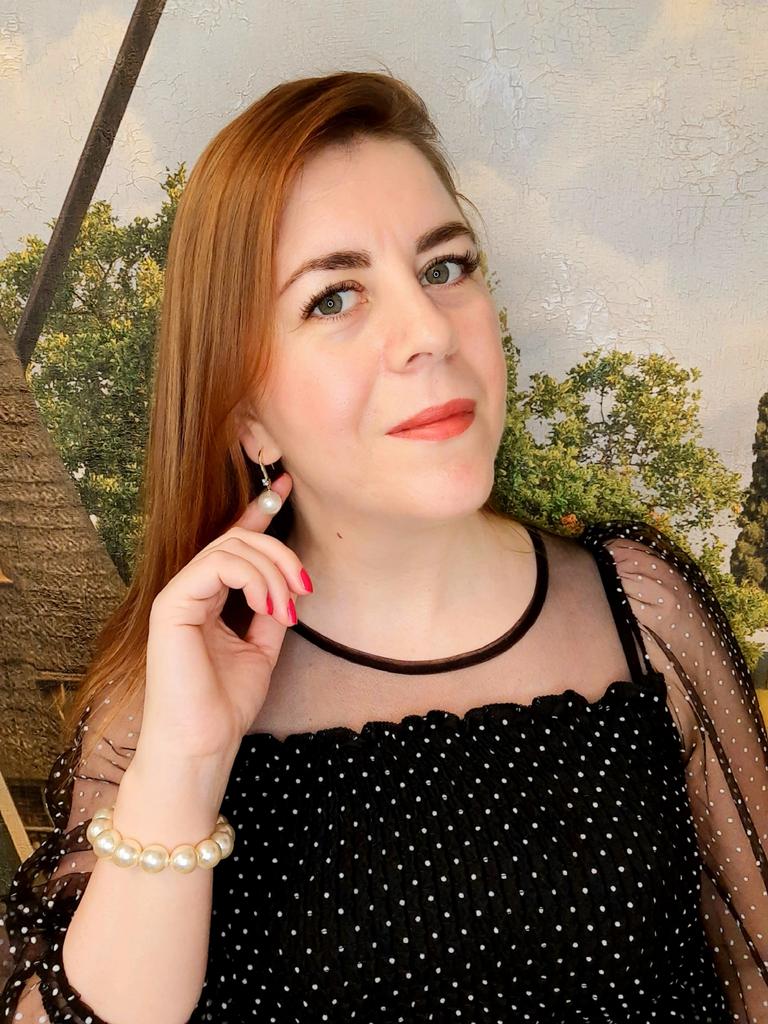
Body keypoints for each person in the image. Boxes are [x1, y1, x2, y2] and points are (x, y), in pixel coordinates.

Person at [1, 69, 767, 1024]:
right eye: (334, 297)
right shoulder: (160, 705)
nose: (428, 331)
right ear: (247, 416)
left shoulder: (643, 611)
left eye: (445, 268)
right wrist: (185, 767)